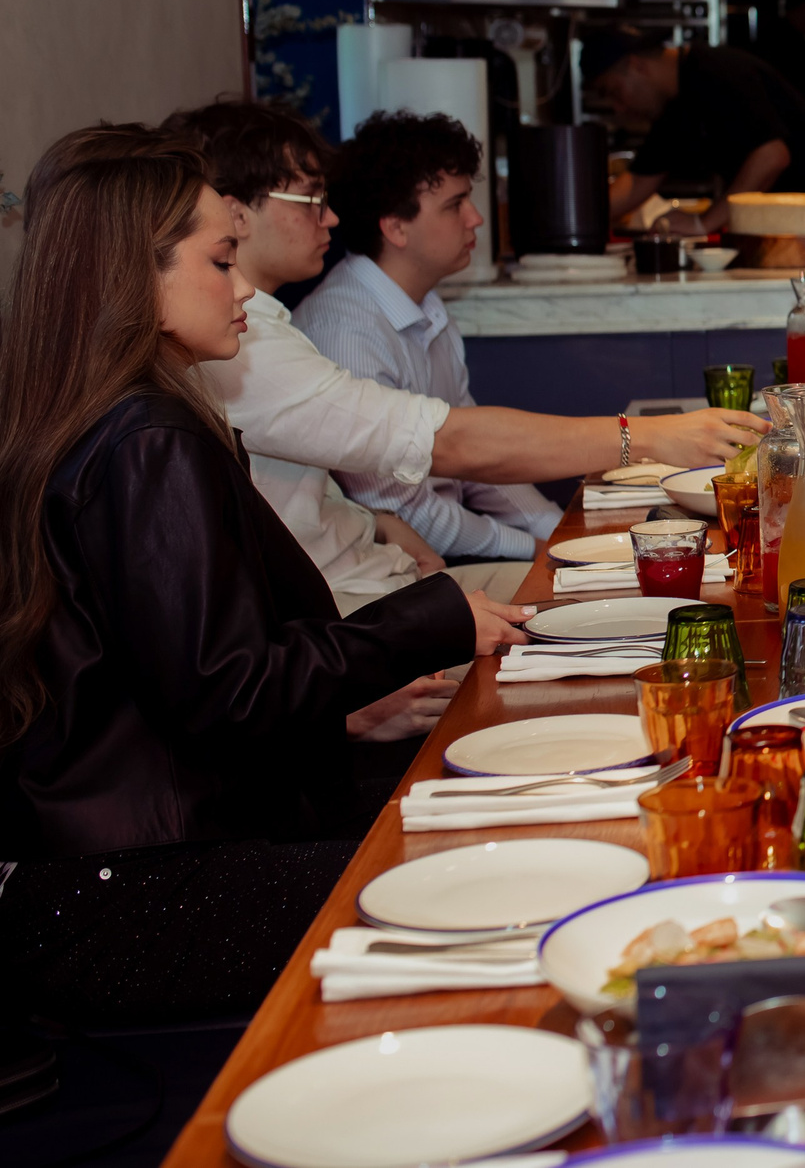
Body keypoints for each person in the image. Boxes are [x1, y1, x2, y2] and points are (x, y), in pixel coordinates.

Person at [0, 127, 529, 1025]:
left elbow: (166, 676)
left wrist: (350, 702)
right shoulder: (147, 439)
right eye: (220, 261)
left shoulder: (88, 417)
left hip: (121, 855)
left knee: (468, 808)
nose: (243, 287)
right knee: (477, 872)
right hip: (139, 888)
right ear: (135, 279)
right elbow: (229, 689)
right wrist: (432, 618)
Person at [165, 102, 758, 614]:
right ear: (236, 215)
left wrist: (385, 526)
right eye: (310, 199)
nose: (330, 217)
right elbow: (447, 445)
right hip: (356, 604)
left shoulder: (271, 322)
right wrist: (646, 438)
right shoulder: (263, 338)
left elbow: (366, 479)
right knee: (654, 604)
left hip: (384, 576)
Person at [296, 110, 561, 601]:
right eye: (455, 205)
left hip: (453, 551)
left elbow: (477, 461)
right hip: (394, 576)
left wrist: (557, 529)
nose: (475, 218)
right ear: (396, 227)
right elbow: (406, 510)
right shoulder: (345, 331)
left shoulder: (426, 305)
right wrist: (534, 547)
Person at [586, 31, 805, 230]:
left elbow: (772, 156)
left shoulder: (716, 72)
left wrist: (702, 224)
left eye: (614, 91)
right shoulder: (674, 105)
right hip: (782, 229)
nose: (619, 108)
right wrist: (575, 221)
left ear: (637, 66)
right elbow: (637, 183)